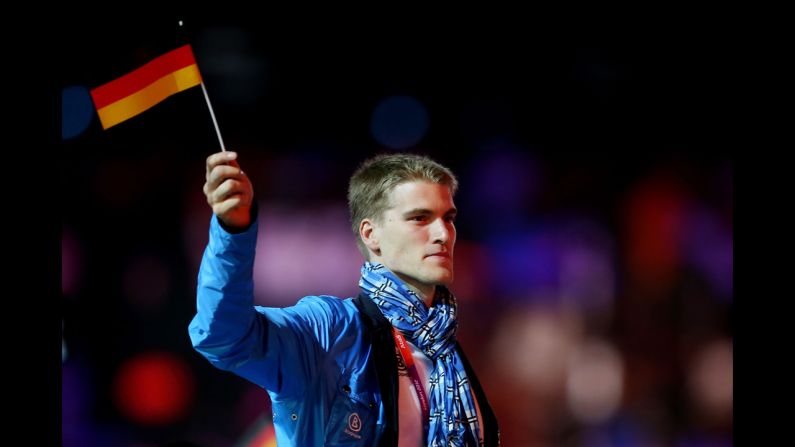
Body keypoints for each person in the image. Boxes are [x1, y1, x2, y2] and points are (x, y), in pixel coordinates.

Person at [189, 151, 499, 446]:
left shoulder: (447, 349)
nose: (443, 234)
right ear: (370, 234)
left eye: (448, 218)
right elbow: (224, 336)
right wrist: (232, 232)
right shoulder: (329, 330)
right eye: (420, 218)